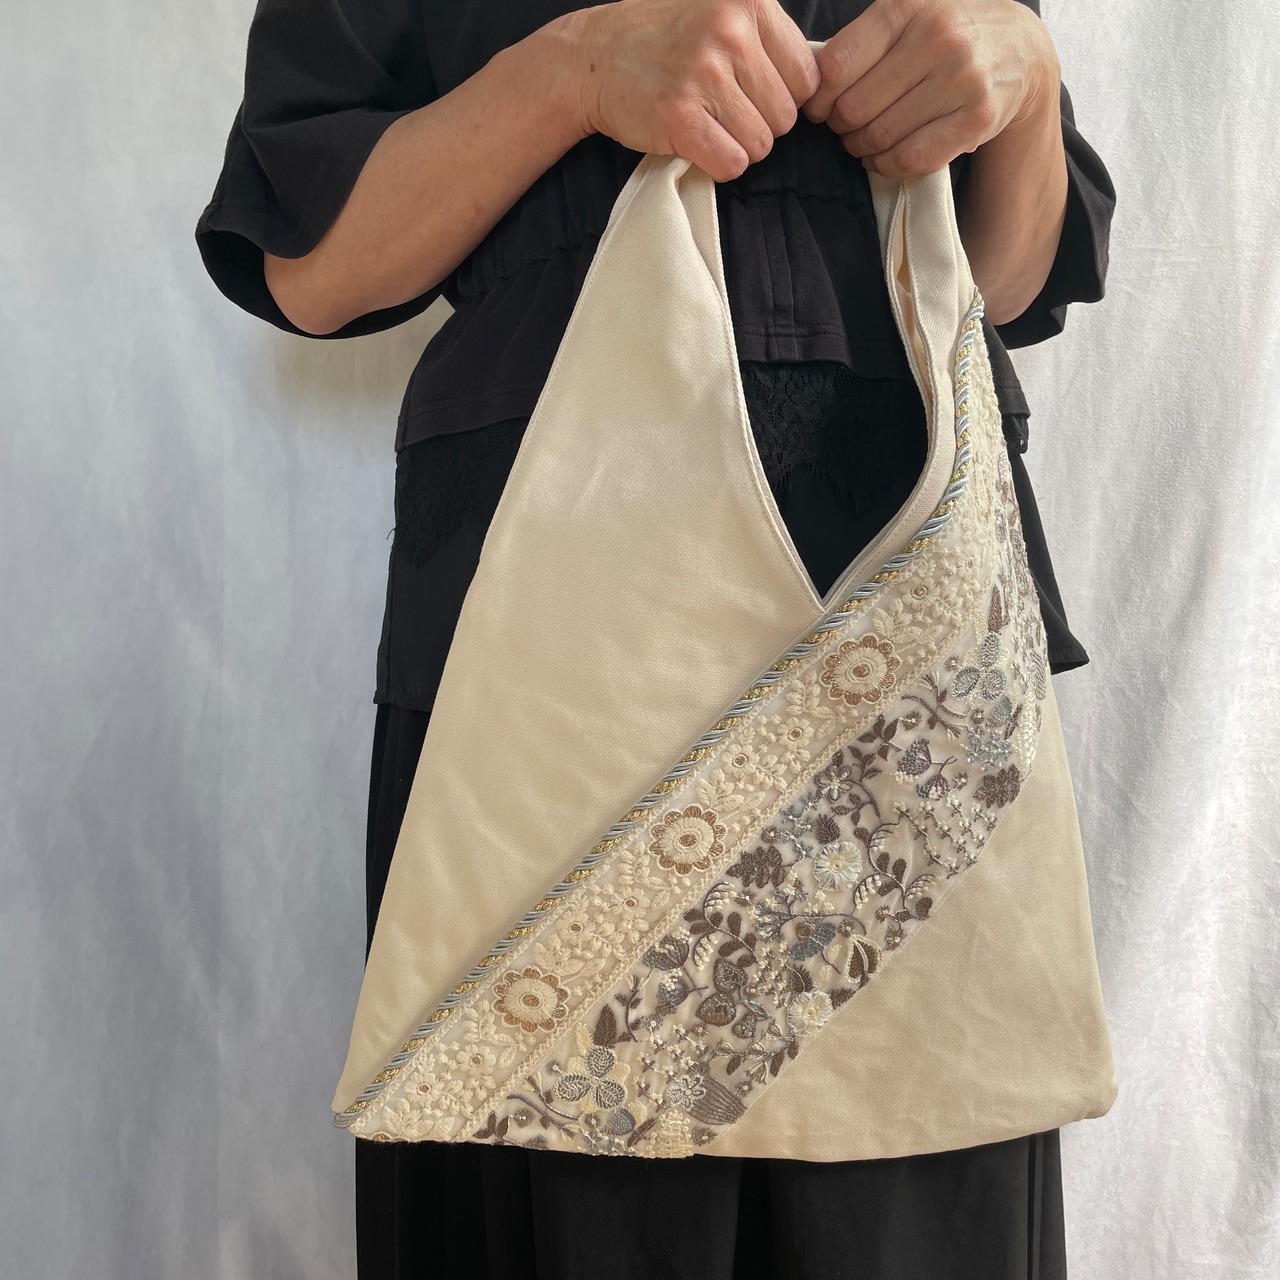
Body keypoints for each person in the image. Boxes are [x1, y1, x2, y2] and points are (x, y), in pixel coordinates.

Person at [195, 0, 1116, 1274]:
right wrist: (573, 72)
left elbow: (995, 286)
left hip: (910, 622)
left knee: (924, 1153)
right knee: (556, 1174)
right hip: (547, 636)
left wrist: (1023, 74)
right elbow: (314, 269)